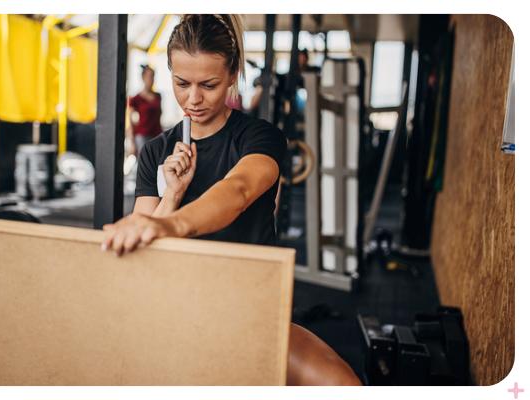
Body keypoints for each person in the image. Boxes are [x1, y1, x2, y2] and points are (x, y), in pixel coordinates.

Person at [101, 14, 361, 386]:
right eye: (181, 83)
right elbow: (143, 246)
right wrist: (172, 194)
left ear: (233, 74)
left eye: (208, 84)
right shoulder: (156, 152)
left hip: (249, 308)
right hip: (176, 307)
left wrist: (168, 224)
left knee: (342, 385)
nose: (193, 98)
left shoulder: (261, 138)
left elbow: (237, 191)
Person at [126, 65, 164, 156]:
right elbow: (129, 121)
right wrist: (131, 142)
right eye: (149, 76)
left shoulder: (158, 96)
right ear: (143, 77)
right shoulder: (136, 99)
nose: (151, 79)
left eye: (153, 76)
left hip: (157, 135)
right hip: (143, 135)